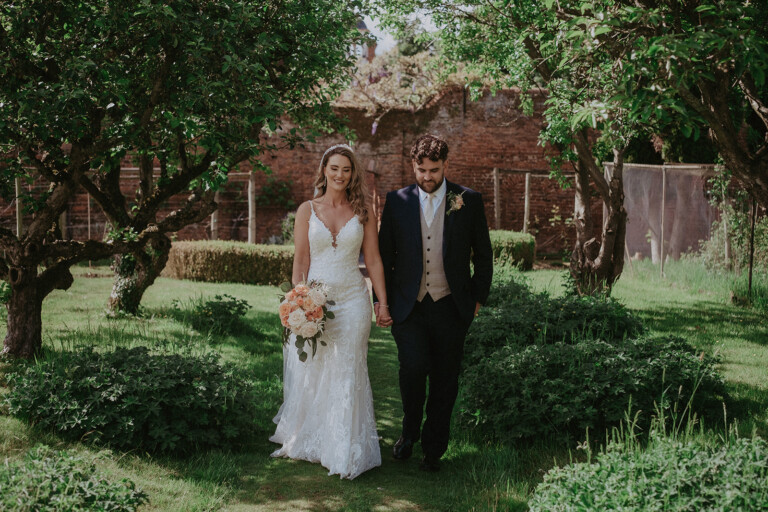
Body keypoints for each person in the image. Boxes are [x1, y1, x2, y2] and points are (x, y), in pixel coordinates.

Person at [270, 144, 391, 479]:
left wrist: (383, 302)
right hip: (317, 301)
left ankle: (346, 448)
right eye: (334, 168)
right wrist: (301, 301)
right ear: (324, 169)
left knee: (348, 369)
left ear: (353, 174)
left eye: (346, 169)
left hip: (354, 300)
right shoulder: (307, 210)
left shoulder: (363, 211)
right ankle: (315, 439)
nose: (340, 175)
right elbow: (301, 262)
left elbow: (374, 260)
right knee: (317, 371)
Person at [375, 134, 493, 472]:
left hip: (451, 306)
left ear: (445, 166)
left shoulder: (468, 200)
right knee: (412, 369)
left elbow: (483, 256)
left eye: (434, 170)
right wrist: (381, 301)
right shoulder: (396, 200)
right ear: (413, 165)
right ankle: (409, 432)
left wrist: (478, 299)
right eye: (421, 169)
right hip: (408, 306)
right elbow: (384, 255)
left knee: (445, 379)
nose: (427, 177)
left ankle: (434, 447)